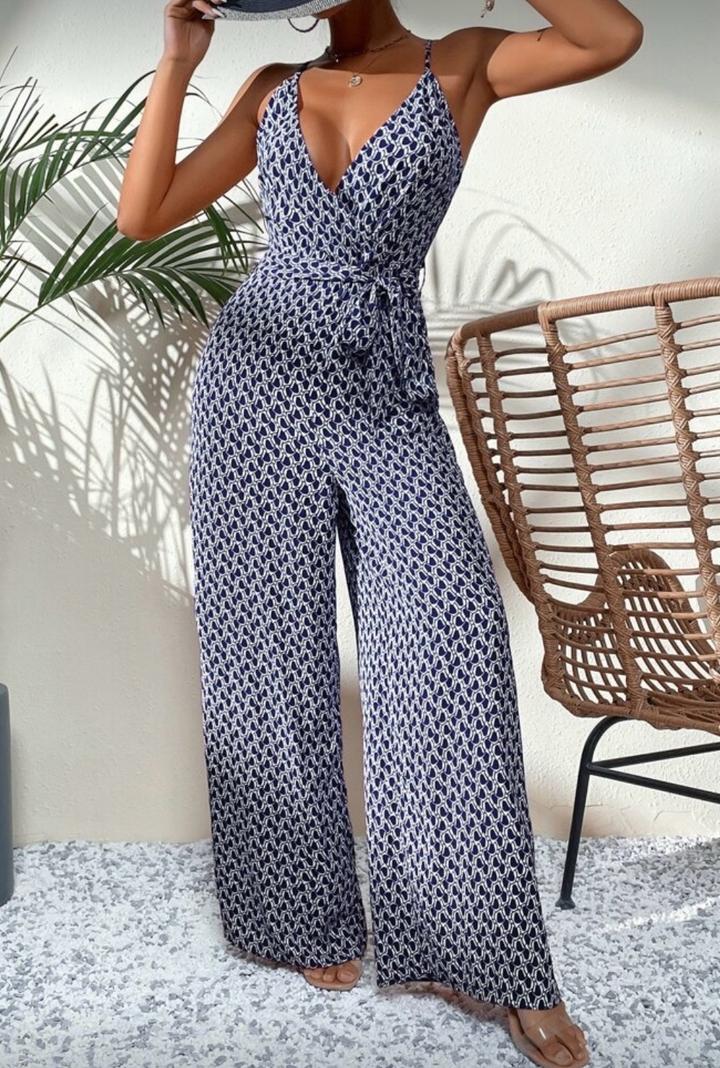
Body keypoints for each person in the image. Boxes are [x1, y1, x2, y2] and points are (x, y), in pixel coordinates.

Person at [117, 1, 643, 1064]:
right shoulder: (272, 89)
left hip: (384, 392)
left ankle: (487, 959)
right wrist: (178, 59)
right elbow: (144, 216)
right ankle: (299, 917)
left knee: (448, 653)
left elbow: (611, 37)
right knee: (267, 661)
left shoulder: (465, 64)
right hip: (254, 391)